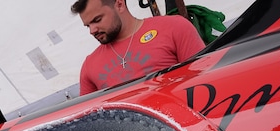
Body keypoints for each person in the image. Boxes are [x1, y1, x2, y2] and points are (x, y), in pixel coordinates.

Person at [71, 0, 205, 95]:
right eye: (88, 25)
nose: (92, 30)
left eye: (97, 20)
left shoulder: (173, 27)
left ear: (119, 4)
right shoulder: (90, 65)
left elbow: (206, 78)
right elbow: (89, 120)